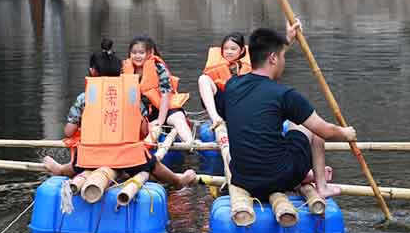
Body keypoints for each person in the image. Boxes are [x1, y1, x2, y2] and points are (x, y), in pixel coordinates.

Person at [222, 26, 356, 200]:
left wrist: (287, 41)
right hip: (277, 178)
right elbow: (326, 131)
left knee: (293, 126)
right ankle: (322, 186)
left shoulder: (232, 85)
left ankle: (307, 174)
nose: (284, 61)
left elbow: (267, 60)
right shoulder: (284, 95)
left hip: (243, 179)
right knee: (312, 128)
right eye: (283, 56)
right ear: (273, 58)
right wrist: (346, 133)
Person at [43, 38, 196, 188]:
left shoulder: (85, 97)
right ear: (121, 71)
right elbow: (143, 133)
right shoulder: (132, 96)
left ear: (92, 71)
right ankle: (177, 180)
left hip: (90, 157)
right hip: (127, 158)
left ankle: (62, 170)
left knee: (79, 160)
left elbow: (69, 132)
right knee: (152, 164)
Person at [122, 35, 194, 143]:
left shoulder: (159, 68)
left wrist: (160, 121)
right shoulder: (124, 69)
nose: (137, 56)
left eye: (141, 52)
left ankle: (190, 144)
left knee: (178, 119)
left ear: (149, 53)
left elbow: (166, 95)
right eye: (134, 52)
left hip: (165, 109)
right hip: (144, 114)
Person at [198, 31, 250, 130]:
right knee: (203, 79)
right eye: (225, 48)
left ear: (242, 50)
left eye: (233, 49)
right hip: (223, 105)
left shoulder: (251, 65)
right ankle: (215, 118)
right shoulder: (217, 64)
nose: (229, 51)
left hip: (243, 107)